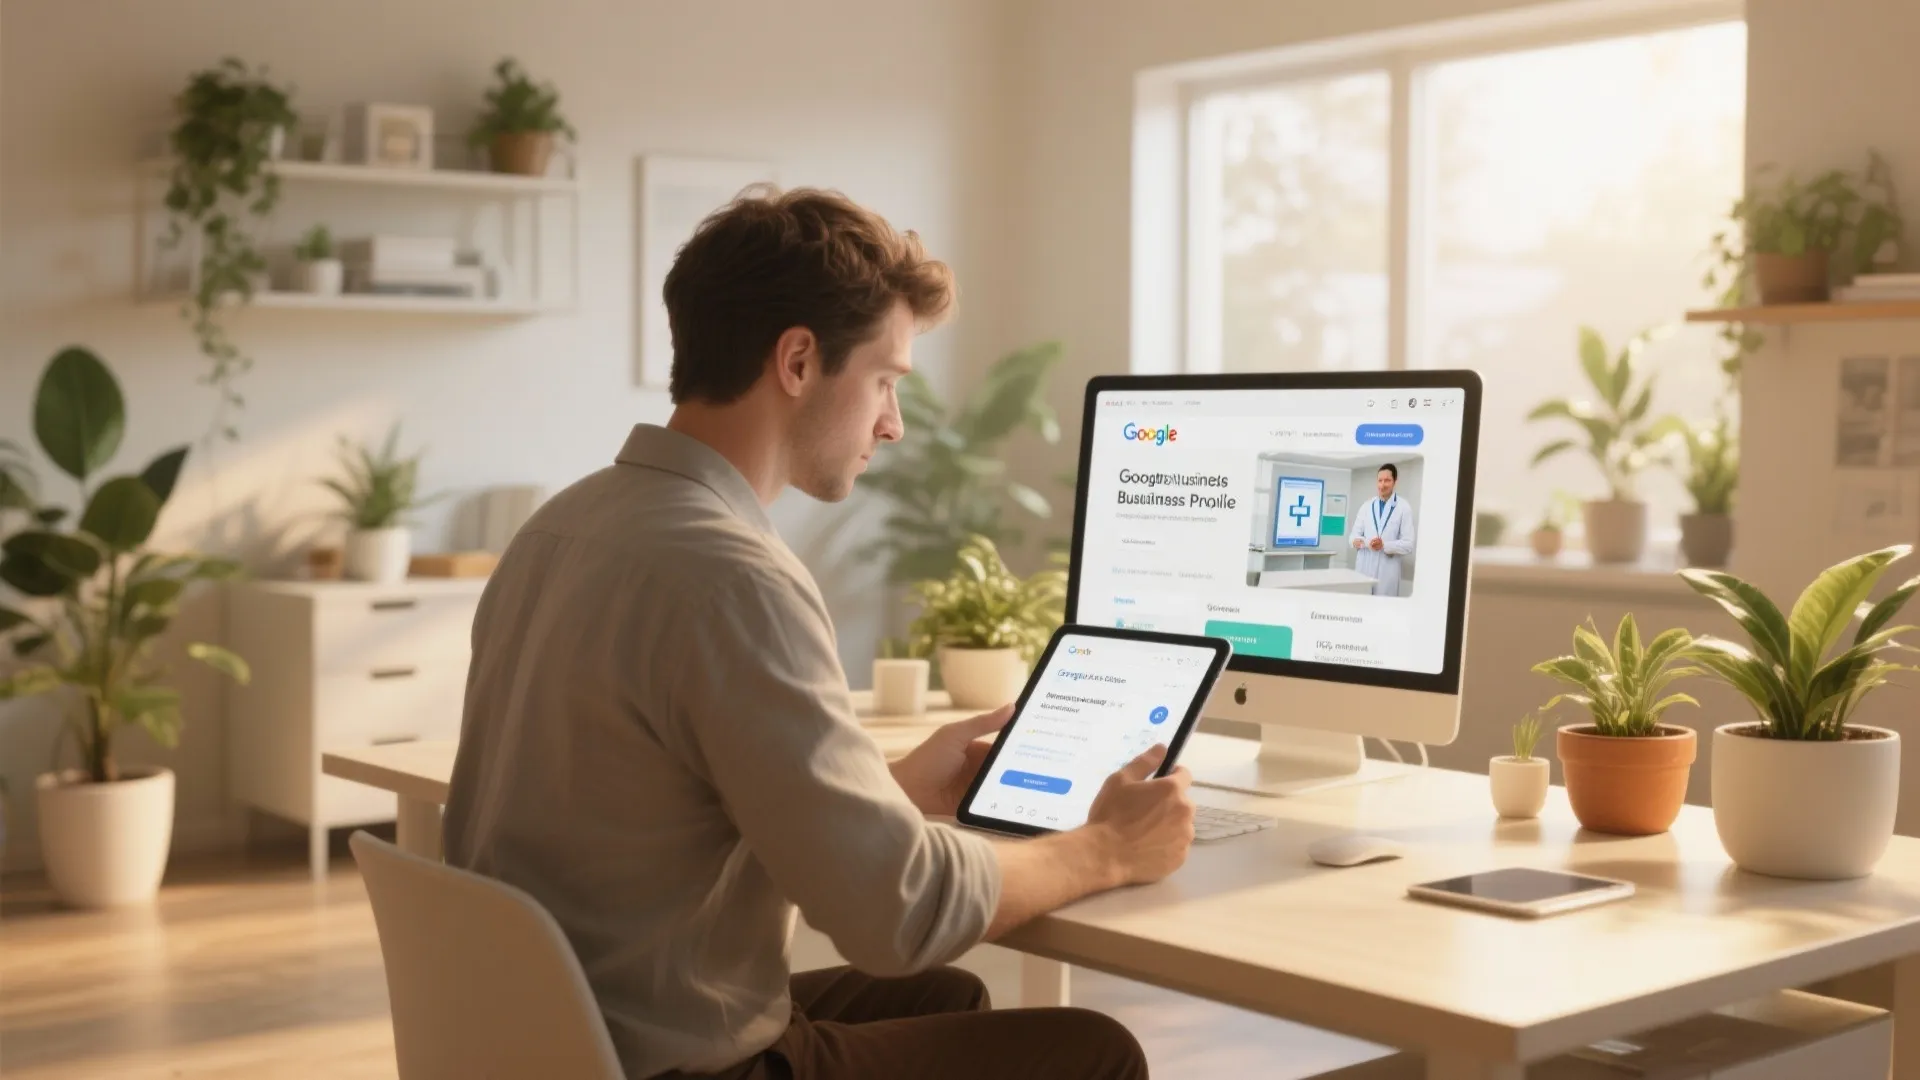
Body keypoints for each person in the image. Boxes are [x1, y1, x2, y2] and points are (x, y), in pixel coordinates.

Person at [442, 186, 1196, 1080]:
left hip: (557, 1026)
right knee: (1091, 1051)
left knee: (944, 998)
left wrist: (885, 791)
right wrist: (1103, 849)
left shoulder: (566, 525)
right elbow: (897, 916)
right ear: (798, 360)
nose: (894, 422)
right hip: (667, 1062)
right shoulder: (733, 577)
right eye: (885, 379)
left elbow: (665, 792)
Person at [1348, 463, 1415, 597]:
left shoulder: (1403, 507)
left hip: (1387, 571)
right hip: (1364, 569)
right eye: (1380, 480)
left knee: (1384, 612)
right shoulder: (1366, 506)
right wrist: (1368, 543)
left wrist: (1385, 545)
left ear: (1395, 481)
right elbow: (1352, 538)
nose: (1382, 485)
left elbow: (1409, 544)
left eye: (1387, 480)